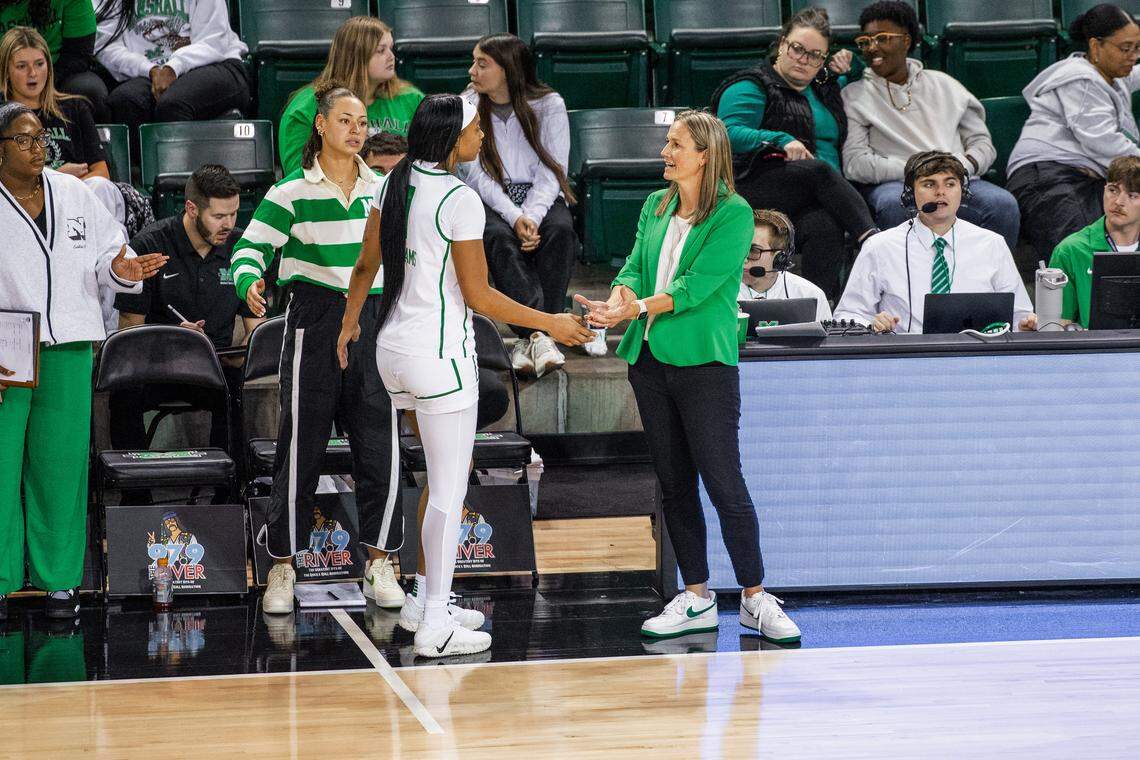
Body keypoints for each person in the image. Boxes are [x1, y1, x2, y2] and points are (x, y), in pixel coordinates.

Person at [336, 94, 593, 658]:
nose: (482, 136)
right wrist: (548, 320)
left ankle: (426, 597)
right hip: (440, 355)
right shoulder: (459, 197)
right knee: (451, 489)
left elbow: (363, 266)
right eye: (476, 129)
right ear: (453, 139)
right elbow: (478, 296)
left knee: (435, 477)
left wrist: (349, 326)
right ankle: (434, 627)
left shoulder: (392, 182)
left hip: (390, 349)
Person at [573, 110, 801, 644]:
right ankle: (696, 596)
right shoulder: (656, 204)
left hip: (704, 362)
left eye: (675, 144)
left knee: (724, 482)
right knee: (673, 482)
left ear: (705, 154)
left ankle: (754, 596)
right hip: (649, 359)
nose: (665, 152)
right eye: (667, 143)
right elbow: (633, 267)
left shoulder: (735, 214)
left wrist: (632, 310)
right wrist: (617, 301)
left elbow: (696, 288)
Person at [230, 84, 399, 615]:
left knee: (380, 448)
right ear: (321, 126)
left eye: (363, 121)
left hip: (373, 320)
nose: (357, 129)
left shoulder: (386, 190)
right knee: (299, 448)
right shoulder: (290, 192)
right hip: (315, 319)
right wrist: (249, 281)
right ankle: (283, 564)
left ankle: (381, 563)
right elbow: (249, 247)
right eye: (346, 120)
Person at [0, 102, 166, 621]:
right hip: (5, 349)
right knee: (3, 466)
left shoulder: (73, 192)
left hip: (70, 343)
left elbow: (108, 257)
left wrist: (122, 269)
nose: (37, 148)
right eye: (24, 140)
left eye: (40, 138)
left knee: (61, 465)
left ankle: (59, 582)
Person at [712, 6, 879, 301]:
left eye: (815, 55)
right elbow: (726, 133)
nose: (803, 59)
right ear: (781, 44)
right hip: (751, 185)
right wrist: (779, 138)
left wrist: (848, 65)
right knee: (819, 170)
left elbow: (851, 74)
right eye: (797, 49)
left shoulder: (822, 87)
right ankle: (873, 242)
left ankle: (819, 309)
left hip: (809, 197)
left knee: (825, 225)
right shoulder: (752, 85)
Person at [841, 1, 1021, 251]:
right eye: (866, 41)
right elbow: (854, 164)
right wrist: (918, 172)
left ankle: (986, 286)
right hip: (897, 183)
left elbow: (983, 145)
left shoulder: (945, 84)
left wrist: (958, 168)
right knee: (894, 204)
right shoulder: (854, 95)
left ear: (907, 41)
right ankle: (905, 286)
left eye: (882, 38)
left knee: (1002, 205)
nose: (872, 47)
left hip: (957, 177)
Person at [111, 164, 261, 454]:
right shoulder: (149, 246)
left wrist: (242, 352)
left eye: (233, 214)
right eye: (218, 216)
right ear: (192, 209)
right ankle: (135, 493)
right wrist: (173, 339)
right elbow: (128, 333)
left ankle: (227, 490)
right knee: (123, 392)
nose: (228, 224)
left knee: (236, 389)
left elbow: (255, 331)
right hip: (154, 367)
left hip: (215, 365)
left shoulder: (242, 248)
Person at [462, 33, 585, 375]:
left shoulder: (549, 104)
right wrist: (515, 217)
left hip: (541, 197)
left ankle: (532, 338)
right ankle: (538, 332)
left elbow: (553, 169)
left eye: (482, 64)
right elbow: (475, 176)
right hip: (492, 198)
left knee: (560, 230)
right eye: (473, 61)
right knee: (497, 237)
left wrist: (530, 215)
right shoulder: (468, 104)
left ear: (508, 70)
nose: (472, 70)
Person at [835, 151, 1036, 334]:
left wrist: (1024, 325)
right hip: (904, 358)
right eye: (929, 184)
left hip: (975, 356)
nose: (941, 192)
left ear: (963, 191)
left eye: (950, 184)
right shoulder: (880, 247)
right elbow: (847, 315)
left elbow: (1019, 314)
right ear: (909, 193)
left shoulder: (992, 244)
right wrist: (872, 324)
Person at [0, 27, 152, 261]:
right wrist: (58, 176)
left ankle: (114, 272)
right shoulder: (3, 120)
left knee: (101, 190)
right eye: (22, 66)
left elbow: (100, 172)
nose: (33, 73)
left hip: (79, 204)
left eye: (40, 64)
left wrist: (63, 184)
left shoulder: (75, 108)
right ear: (6, 72)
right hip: (26, 206)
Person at [1006, 4, 1140, 263]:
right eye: (1125, 49)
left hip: (1088, 179)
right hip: (1047, 178)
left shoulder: (1113, 75)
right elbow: (1106, 144)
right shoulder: (1080, 80)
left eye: (1138, 48)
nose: (1133, 56)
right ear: (1095, 46)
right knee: (1084, 256)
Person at [278, 16, 424, 176]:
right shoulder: (307, 109)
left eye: (391, 48)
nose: (391, 57)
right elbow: (299, 176)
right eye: (381, 50)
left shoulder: (412, 99)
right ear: (355, 57)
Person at [94, 0, 249, 133]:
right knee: (125, 101)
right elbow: (106, 46)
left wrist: (173, 67)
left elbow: (214, 41)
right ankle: (144, 167)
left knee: (173, 104)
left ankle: (184, 166)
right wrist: (148, 69)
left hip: (215, 63)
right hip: (150, 72)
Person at [1049, 155, 1140, 328]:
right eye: (1113, 190)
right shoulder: (1070, 250)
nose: (1119, 202)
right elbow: (1058, 326)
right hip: (1094, 352)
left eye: (1132, 195)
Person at [0, 0, 106, 118]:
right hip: (4, 73)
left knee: (89, 89)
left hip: (58, 72)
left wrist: (45, 81)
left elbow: (79, 54)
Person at [740, 209, 832, 321]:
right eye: (740, 248)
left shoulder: (809, 294)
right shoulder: (719, 290)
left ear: (780, 258)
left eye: (754, 250)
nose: (743, 259)